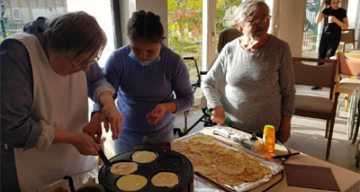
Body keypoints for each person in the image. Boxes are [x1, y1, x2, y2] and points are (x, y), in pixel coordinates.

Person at [0, 11, 122, 191]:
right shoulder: (16, 56)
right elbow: (12, 128)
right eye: (80, 63)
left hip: (75, 160)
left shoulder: (79, 50)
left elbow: (97, 80)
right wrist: (73, 138)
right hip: (30, 166)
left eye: (91, 61)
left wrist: (107, 104)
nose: (86, 69)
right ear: (56, 49)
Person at [201, 0, 295, 143]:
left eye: (265, 17)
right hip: (231, 129)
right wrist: (216, 106)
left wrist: (286, 123)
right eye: (255, 19)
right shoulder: (230, 49)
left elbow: (288, 91)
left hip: (267, 131)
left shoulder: (280, 49)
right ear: (240, 26)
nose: (263, 23)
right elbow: (208, 82)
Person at [102, 10, 194, 154]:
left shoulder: (173, 62)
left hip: (161, 137)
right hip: (126, 135)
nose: (143, 56)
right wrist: (101, 113)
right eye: (136, 49)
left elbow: (188, 99)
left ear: (161, 41)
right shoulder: (117, 60)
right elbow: (104, 93)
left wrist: (165, 107)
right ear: (128, 40)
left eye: (150, 51)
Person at [313, 0, 348, 90]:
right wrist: (321, 5)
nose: (336, 4)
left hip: (335, 37)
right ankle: (318, 83)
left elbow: (345, 26)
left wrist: (336, 21)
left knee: (328, 58)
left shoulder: (342, 11)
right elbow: (317, 21)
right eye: (334, 2)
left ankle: (329, 80)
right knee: (320, 58)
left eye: (337, 2)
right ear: (330, 3)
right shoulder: (326, 10)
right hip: (325, 37)